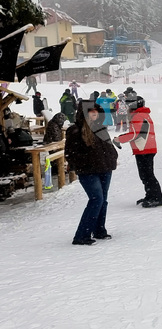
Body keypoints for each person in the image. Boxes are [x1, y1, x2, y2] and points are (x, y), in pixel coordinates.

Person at [65, 100, 119, 245]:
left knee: (103, 200)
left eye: (96, 110)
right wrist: (86, 162)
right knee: (96, 199)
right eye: (91, 111)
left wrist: (113, 157)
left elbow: (109, 147)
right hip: (88, 171)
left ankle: (99, 230)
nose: (94, 113)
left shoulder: (101, 128)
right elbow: (70, 153)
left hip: (105, 169)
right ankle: (81, 235)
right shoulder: (75, 130)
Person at [114, 96, 162, 208]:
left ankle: (156, 198)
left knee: (147, 175)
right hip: (144, 148)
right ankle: (150, 195)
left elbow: (134, 134)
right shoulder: (141, 114)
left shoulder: (138, 116)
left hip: (144, 149)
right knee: (145, 175)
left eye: (127, 105)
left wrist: (119, 139)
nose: (126, 108)